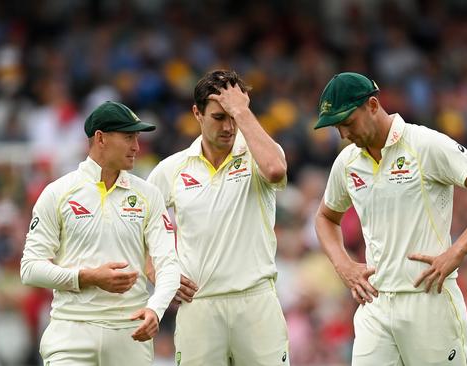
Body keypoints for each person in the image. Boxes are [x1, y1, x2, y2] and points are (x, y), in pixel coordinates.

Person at [313, 72, 467, 365]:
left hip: (429, 299)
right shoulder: (347, 162)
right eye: (337, 128)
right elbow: (325, 217)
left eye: (348, 123)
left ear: (372, 105)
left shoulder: (424, 144)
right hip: (377, 303)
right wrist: (343, 264)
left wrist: (457, 251)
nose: (344, 135)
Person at [147, 70, 290, 365]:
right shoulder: (171, 169)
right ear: (197, 114)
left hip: (256, 302)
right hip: (199, 305)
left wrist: (242, 111)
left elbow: (276, 170)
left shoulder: (258, 154)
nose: (228, 127)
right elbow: (138, 226)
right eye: (218, 117)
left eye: (233, 117)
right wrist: (156, 273)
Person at [20, 101, 180, 365]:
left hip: (131, 335)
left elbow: (168, 264)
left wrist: (155, 308)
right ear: (101, 138)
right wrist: (88, 277)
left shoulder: (148, 195)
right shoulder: (58, 193)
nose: (137, 147)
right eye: (128, 137)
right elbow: (30, 269)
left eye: (137, 137)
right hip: (71, 333)